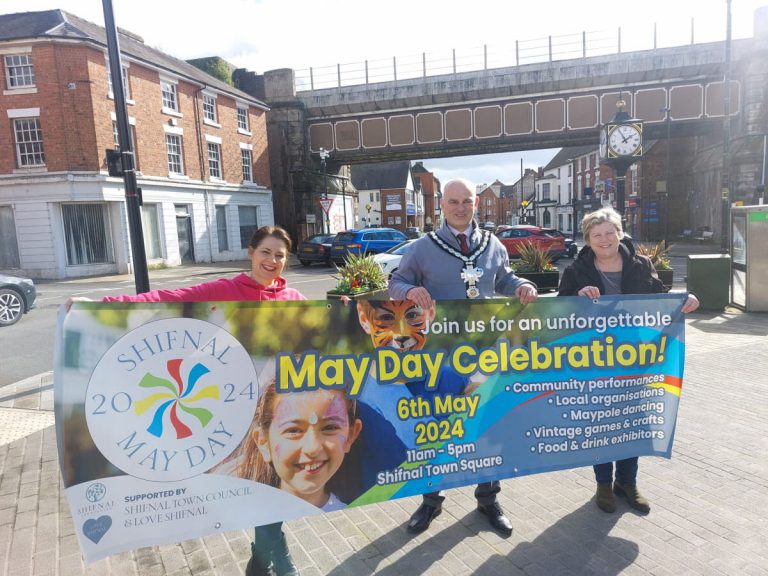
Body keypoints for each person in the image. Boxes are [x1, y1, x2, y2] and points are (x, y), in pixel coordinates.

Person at [67, 225, 304, 576]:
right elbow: (170, 297)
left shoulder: (295, 299)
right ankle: (273, 558)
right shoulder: (226, 290)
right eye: (266, 252)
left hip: (275, 406)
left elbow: (323, 334)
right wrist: (100, 304)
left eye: (280, 255)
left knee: (271, 478)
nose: (272, 261)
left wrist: (345, 310)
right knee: (256, 479)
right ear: (251, 253)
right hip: (227, 404)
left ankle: (265, 557)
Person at [388, 177, 538, 536]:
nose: (460, 207)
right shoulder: (423, 247)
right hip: (438, 359)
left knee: (487, 423)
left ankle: (488, 499)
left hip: (484, 353)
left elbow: (504, 278)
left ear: (473, 204)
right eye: (453, 201)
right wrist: (411, 289)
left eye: (466, 201)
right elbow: (395, 282)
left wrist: (521, 286)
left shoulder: (492, 244)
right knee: (437, 427)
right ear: (441, 205)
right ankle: (430, 501)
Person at [558, 207, 699, 514]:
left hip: (636, 359)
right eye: (597, 235)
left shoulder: (641, 264)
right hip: (594, 361)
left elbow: (660, 297)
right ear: (588, 240)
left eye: (610, 232)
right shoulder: (574, 271)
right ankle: (604, 485)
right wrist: (576, 298)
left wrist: (685, 301)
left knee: (631, 423)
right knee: (601, 424)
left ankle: (628, 483)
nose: (605, 239)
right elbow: (557, 313)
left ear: (620, 234)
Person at [234, 381, 362, 511]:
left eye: (329, 427)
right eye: (293, 430)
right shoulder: (241, 514)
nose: (312, 448)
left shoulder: (355, 514)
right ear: (263, 442)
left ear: (350, 436)